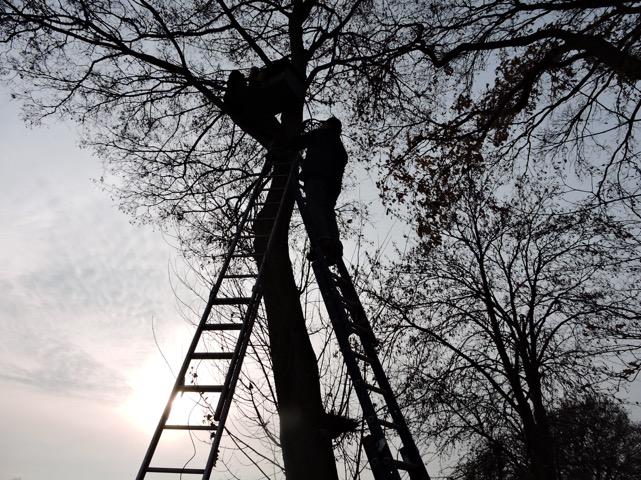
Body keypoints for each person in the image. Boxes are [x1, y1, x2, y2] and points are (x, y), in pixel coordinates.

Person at [300, 117, 348, 264]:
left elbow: (298, 142)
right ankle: (333, 246)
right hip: (333, 186)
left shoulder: (320, 134)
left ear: (328, 125)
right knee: (327, 212)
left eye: (324, 124)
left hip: (317, 179)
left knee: (314, 208)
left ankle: (323, 241)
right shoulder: (338, 145)